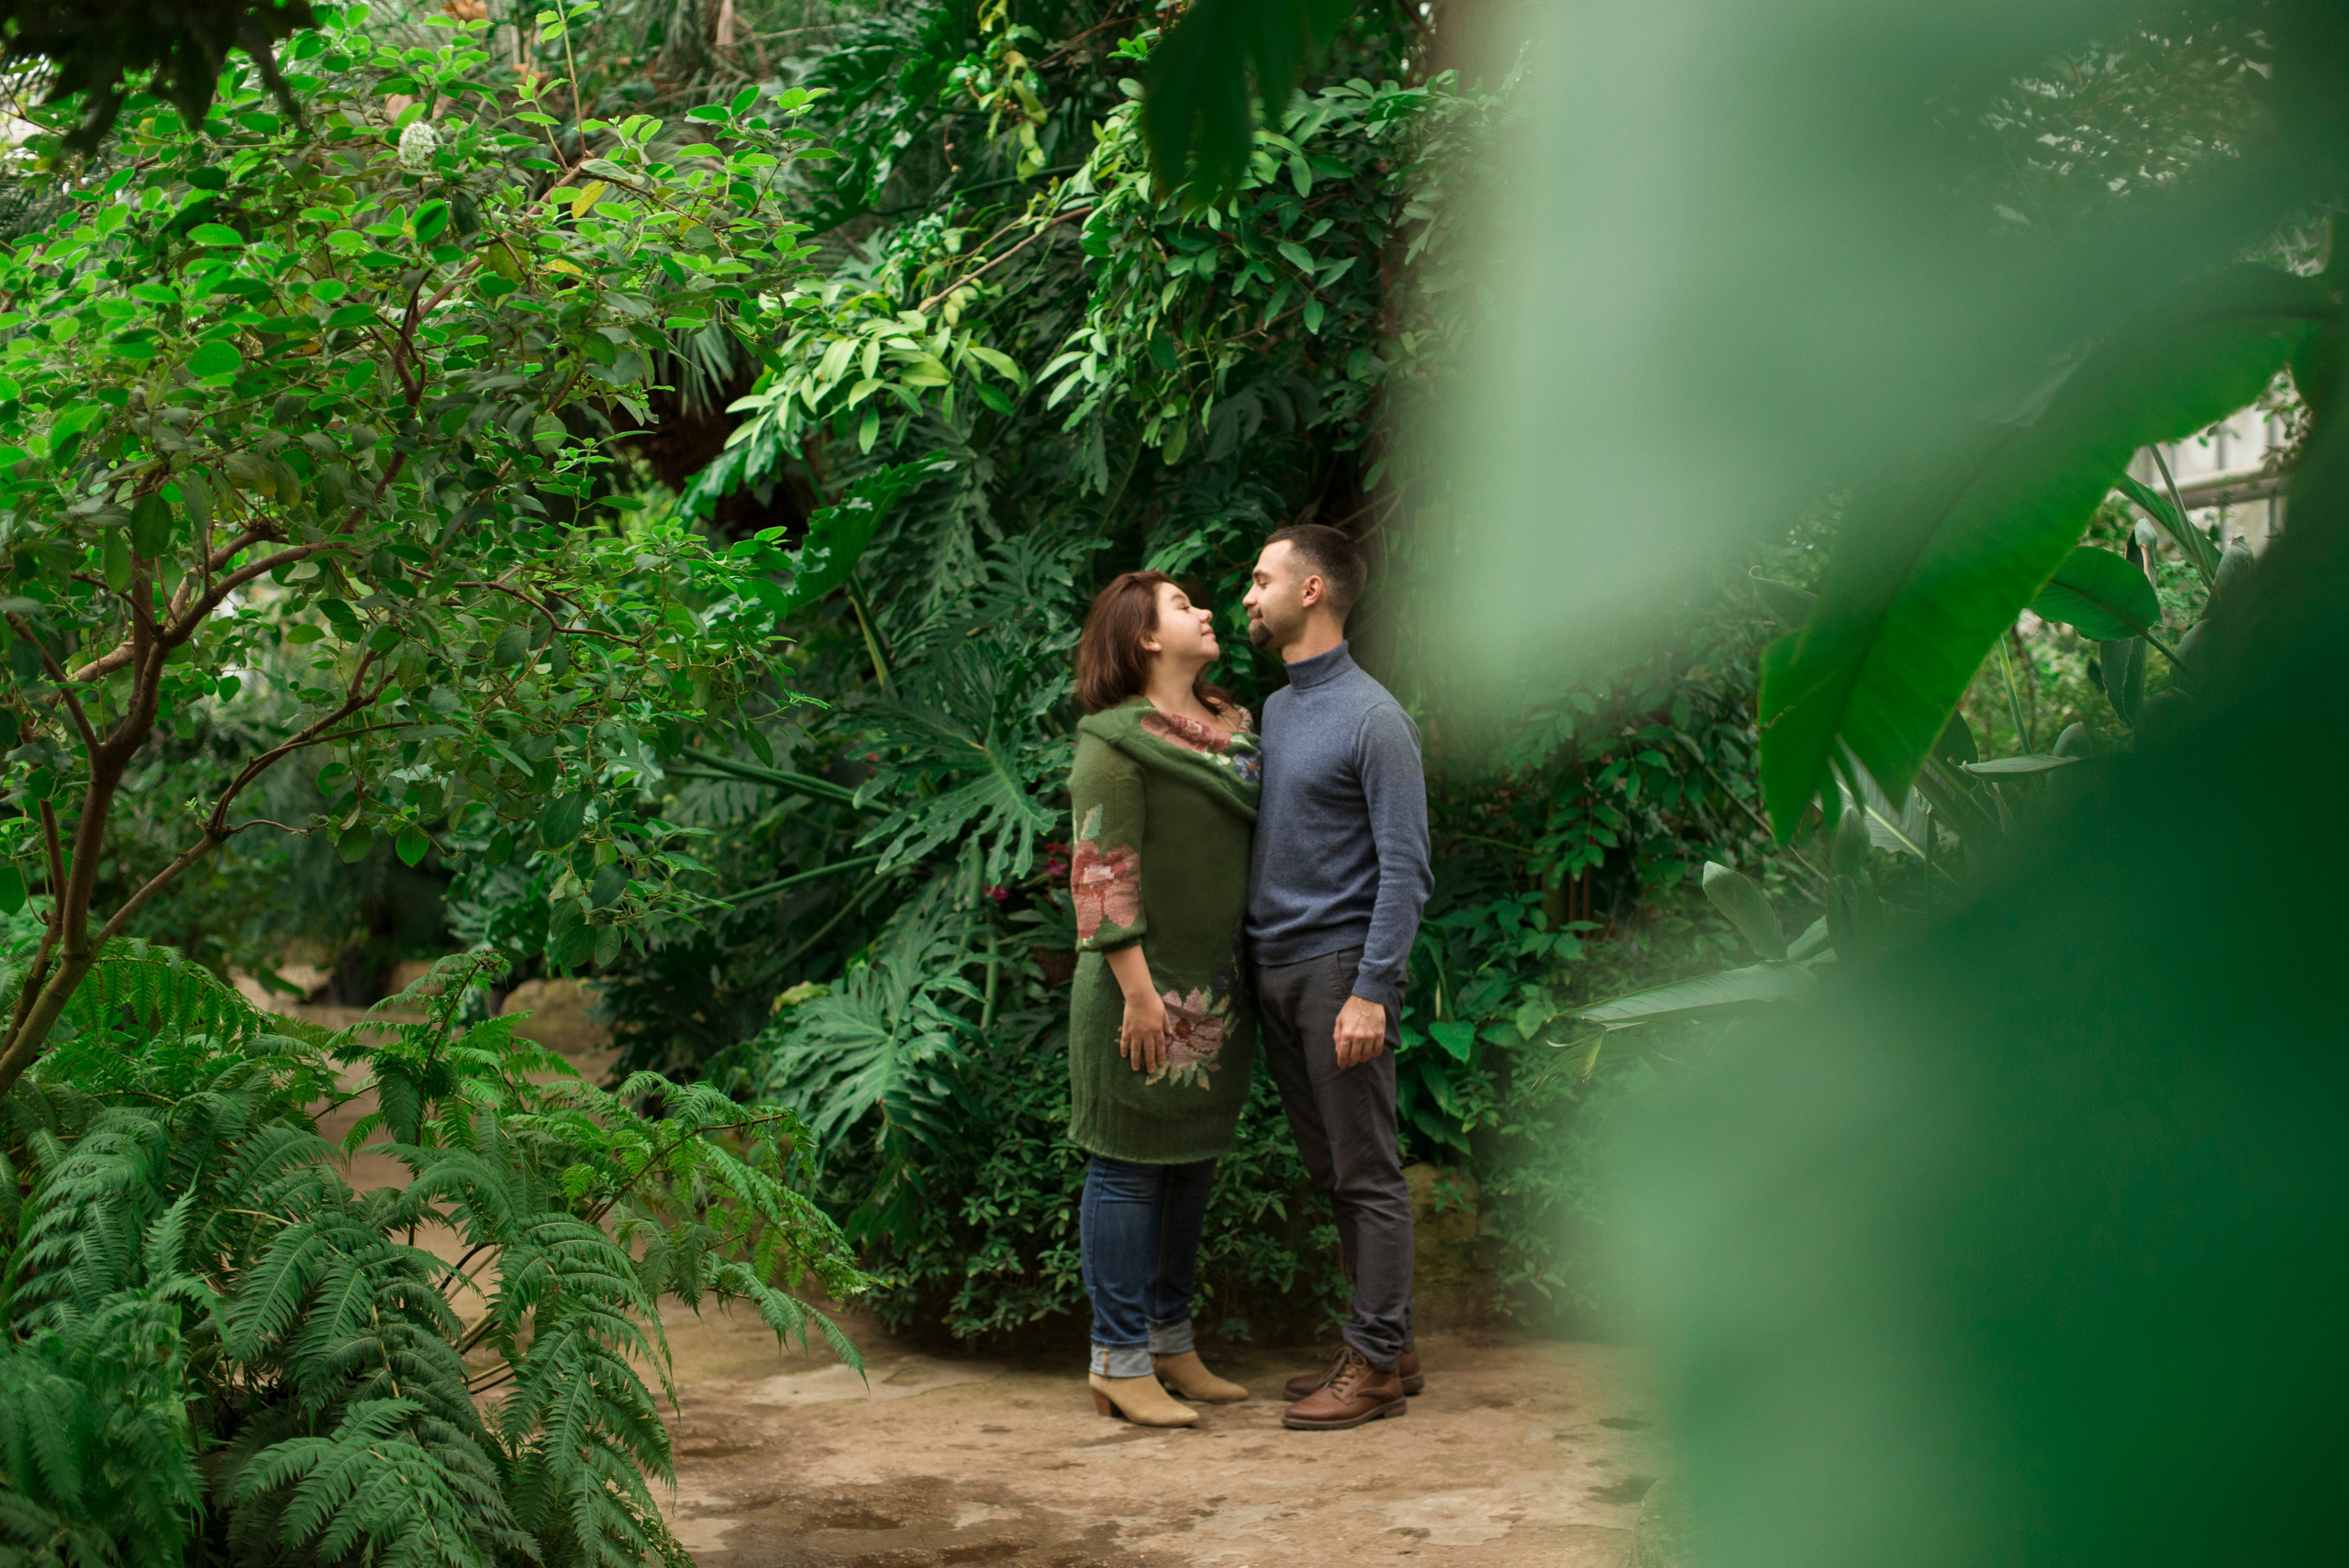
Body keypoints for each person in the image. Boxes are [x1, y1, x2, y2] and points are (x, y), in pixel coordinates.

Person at [1241, 523, 1433, 1431]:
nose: (1246, 594)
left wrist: (1371, 988)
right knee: (1333, 1171)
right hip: (1276, 969)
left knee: (1366, 1173)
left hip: (1335, 972)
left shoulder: (1373, 717)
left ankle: (1374, 1364)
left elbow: (1405, 867)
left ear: (1310, 590)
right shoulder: (1278, 711)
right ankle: (1384, 1338)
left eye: (1261, 578)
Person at [1066, 570, 1265, 1427]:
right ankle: (1117, 1358)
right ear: (1145, 636)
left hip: (1212, 996)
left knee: (1190, 1165)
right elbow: (1101, 874)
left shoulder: (1232, 730)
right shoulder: (1113, 742)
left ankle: (1171, 1343)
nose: (1206, 610)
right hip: (1137, 992)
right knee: (1128, 1165)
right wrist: (1142, 997)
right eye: (1183, 605)